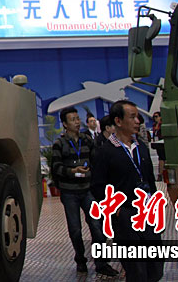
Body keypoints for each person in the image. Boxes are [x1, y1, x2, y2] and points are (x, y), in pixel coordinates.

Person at [91, 100, 163, 282]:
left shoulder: (141, 148)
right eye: (132, 117)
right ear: (118, 121)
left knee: (155, 267)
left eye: (137, 117)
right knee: (136, 269)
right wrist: (117, 212)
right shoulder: (105, 152)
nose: (138, 121)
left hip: (147, 214)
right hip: (125, 216)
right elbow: (98, 186)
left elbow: (149, 180)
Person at [52, 106, 120, 277]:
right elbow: (56, 168)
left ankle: (101, 263)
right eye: (73, 119)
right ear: (65, 124)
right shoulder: (59, 144)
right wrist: (72, 171)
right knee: (75, 229)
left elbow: (96, 160)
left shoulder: (87, 140)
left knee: (97, 225)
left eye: (77, 118)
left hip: (88, 190)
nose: (77, 122)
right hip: (69, 192)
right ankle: (80, 259)